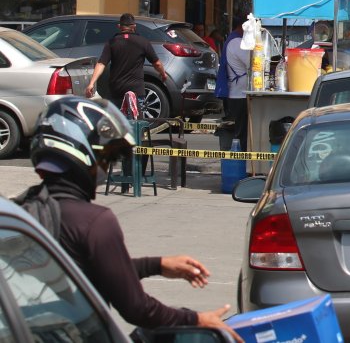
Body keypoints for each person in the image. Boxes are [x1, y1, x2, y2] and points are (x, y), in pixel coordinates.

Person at [13, 97, 240, 340]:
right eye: (106, 158)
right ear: (82, 151)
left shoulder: (23, 210)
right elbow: (136, 308)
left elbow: (89, 272)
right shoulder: (95, 222)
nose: (106, 168)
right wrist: (197, 319)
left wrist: (156, 265)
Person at [85, 14, 168, 118]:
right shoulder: (143, 42)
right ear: (134, 26)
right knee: (136, 121)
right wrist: (163, 74)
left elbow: (101, 63)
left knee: (118, 123)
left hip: (117, 90)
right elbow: (157, 63)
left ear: (119, 26)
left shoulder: (112, 43)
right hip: (136, 90)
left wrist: (91, 83)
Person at [222, 18, 251, 147]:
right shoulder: (237, 42)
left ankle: (239, 162)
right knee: (241, 135)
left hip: (238, 93)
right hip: (239, 95)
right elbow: (251, 64)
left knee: (241, 133)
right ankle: (238, 164)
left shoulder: (234, 40)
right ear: (242, 26)